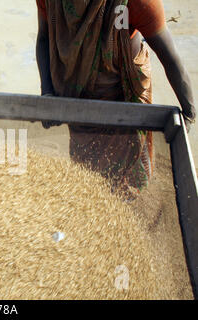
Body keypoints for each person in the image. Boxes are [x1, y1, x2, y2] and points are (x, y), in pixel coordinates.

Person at [36, 0, 196, 195]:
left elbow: (169, 56)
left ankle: (131, 202)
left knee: (131, 164)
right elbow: (44, 38)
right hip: (79, 93)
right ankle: (95, 200)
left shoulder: (136, 3)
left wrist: (188, 112)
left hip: (125, 92)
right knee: (88, 171)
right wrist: (47, 94)